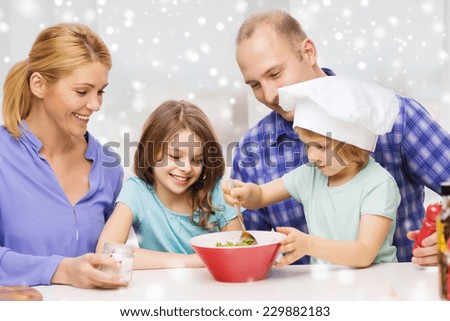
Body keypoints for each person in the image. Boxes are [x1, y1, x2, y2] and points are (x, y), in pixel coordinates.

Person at [232, 10, 450, 265]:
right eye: (255, 85)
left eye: (275, 74)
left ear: (309, 52)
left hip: (394, 293)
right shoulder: (254, 148)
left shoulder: (395, 118)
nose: (269, 95)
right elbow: (247, 245)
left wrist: (446, 237)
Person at [223, 76, 401, 267]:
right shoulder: (311, 176)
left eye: (321, 146)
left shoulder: (378, 184)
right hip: (326, 285)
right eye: (308, 146)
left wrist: (308, 244)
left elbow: (363, 254)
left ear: (353, 143)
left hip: (374, 285)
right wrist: (246, 193)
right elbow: (261, 195)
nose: (312, 156)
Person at [0, 23, 125, 288]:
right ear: (39, 84)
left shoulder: (108, 166)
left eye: (100, 91)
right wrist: (60, 270)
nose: (95, 104)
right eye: (82, 91)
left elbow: (115, 253)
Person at [96, 100, 241, 268]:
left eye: (197, 160)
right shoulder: (137, 191)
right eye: (175, 156)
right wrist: (191, 261)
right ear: (151, 152)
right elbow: (106, 253)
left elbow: (239, 253)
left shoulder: (217, 192)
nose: (186, 168)